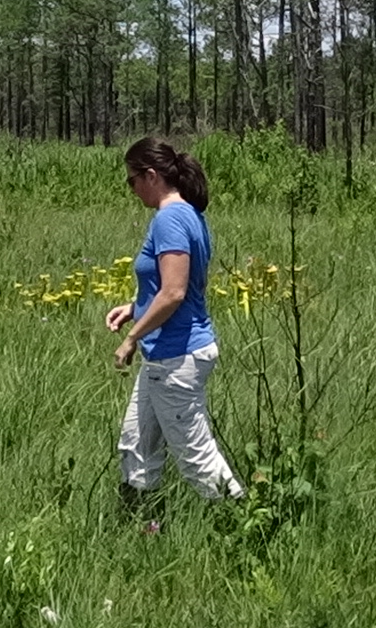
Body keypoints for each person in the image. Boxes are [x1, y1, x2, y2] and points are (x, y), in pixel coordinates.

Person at [107, 136, 246, 501]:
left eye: (131, 180)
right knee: (136, 443)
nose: (132, 189)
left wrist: (131, 337)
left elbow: (174, 292)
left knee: (196, 458)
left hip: (176, 356)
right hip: (164, 356)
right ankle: (143, 522)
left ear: (151, 175)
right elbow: (169, 290)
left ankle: (248, 530)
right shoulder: (188, 216)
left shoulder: (170, 218)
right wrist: (134, 308)